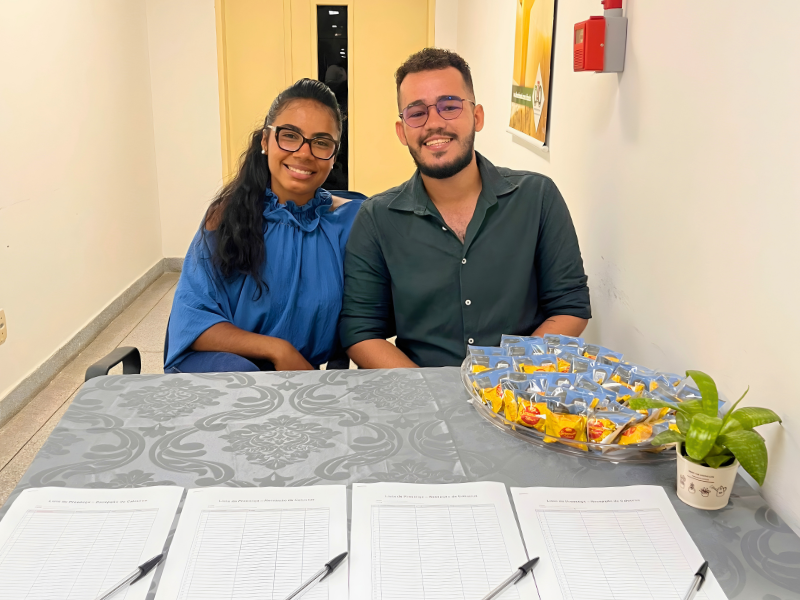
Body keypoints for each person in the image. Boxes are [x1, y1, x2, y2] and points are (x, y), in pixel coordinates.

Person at [340, 48, 591, 368]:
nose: (434, 123)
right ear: (402, 132)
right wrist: (430, 396)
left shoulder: (537, 198)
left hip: (522, 389)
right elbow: (361, 331)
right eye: (417, 113)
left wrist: (504, 380)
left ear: (477, 117)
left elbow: (570, 307)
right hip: (420, 394)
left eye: (449, 106)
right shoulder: (377, 219)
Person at [164, 79, 363, 373]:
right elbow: (193, 320)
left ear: (334, 156)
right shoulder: (226, 217)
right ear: (265, 141)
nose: (304, 153)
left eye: (321, 142)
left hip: (300, 383)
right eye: (290, 136)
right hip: (223, 370)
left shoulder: (350, 222)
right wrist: (278, 351)